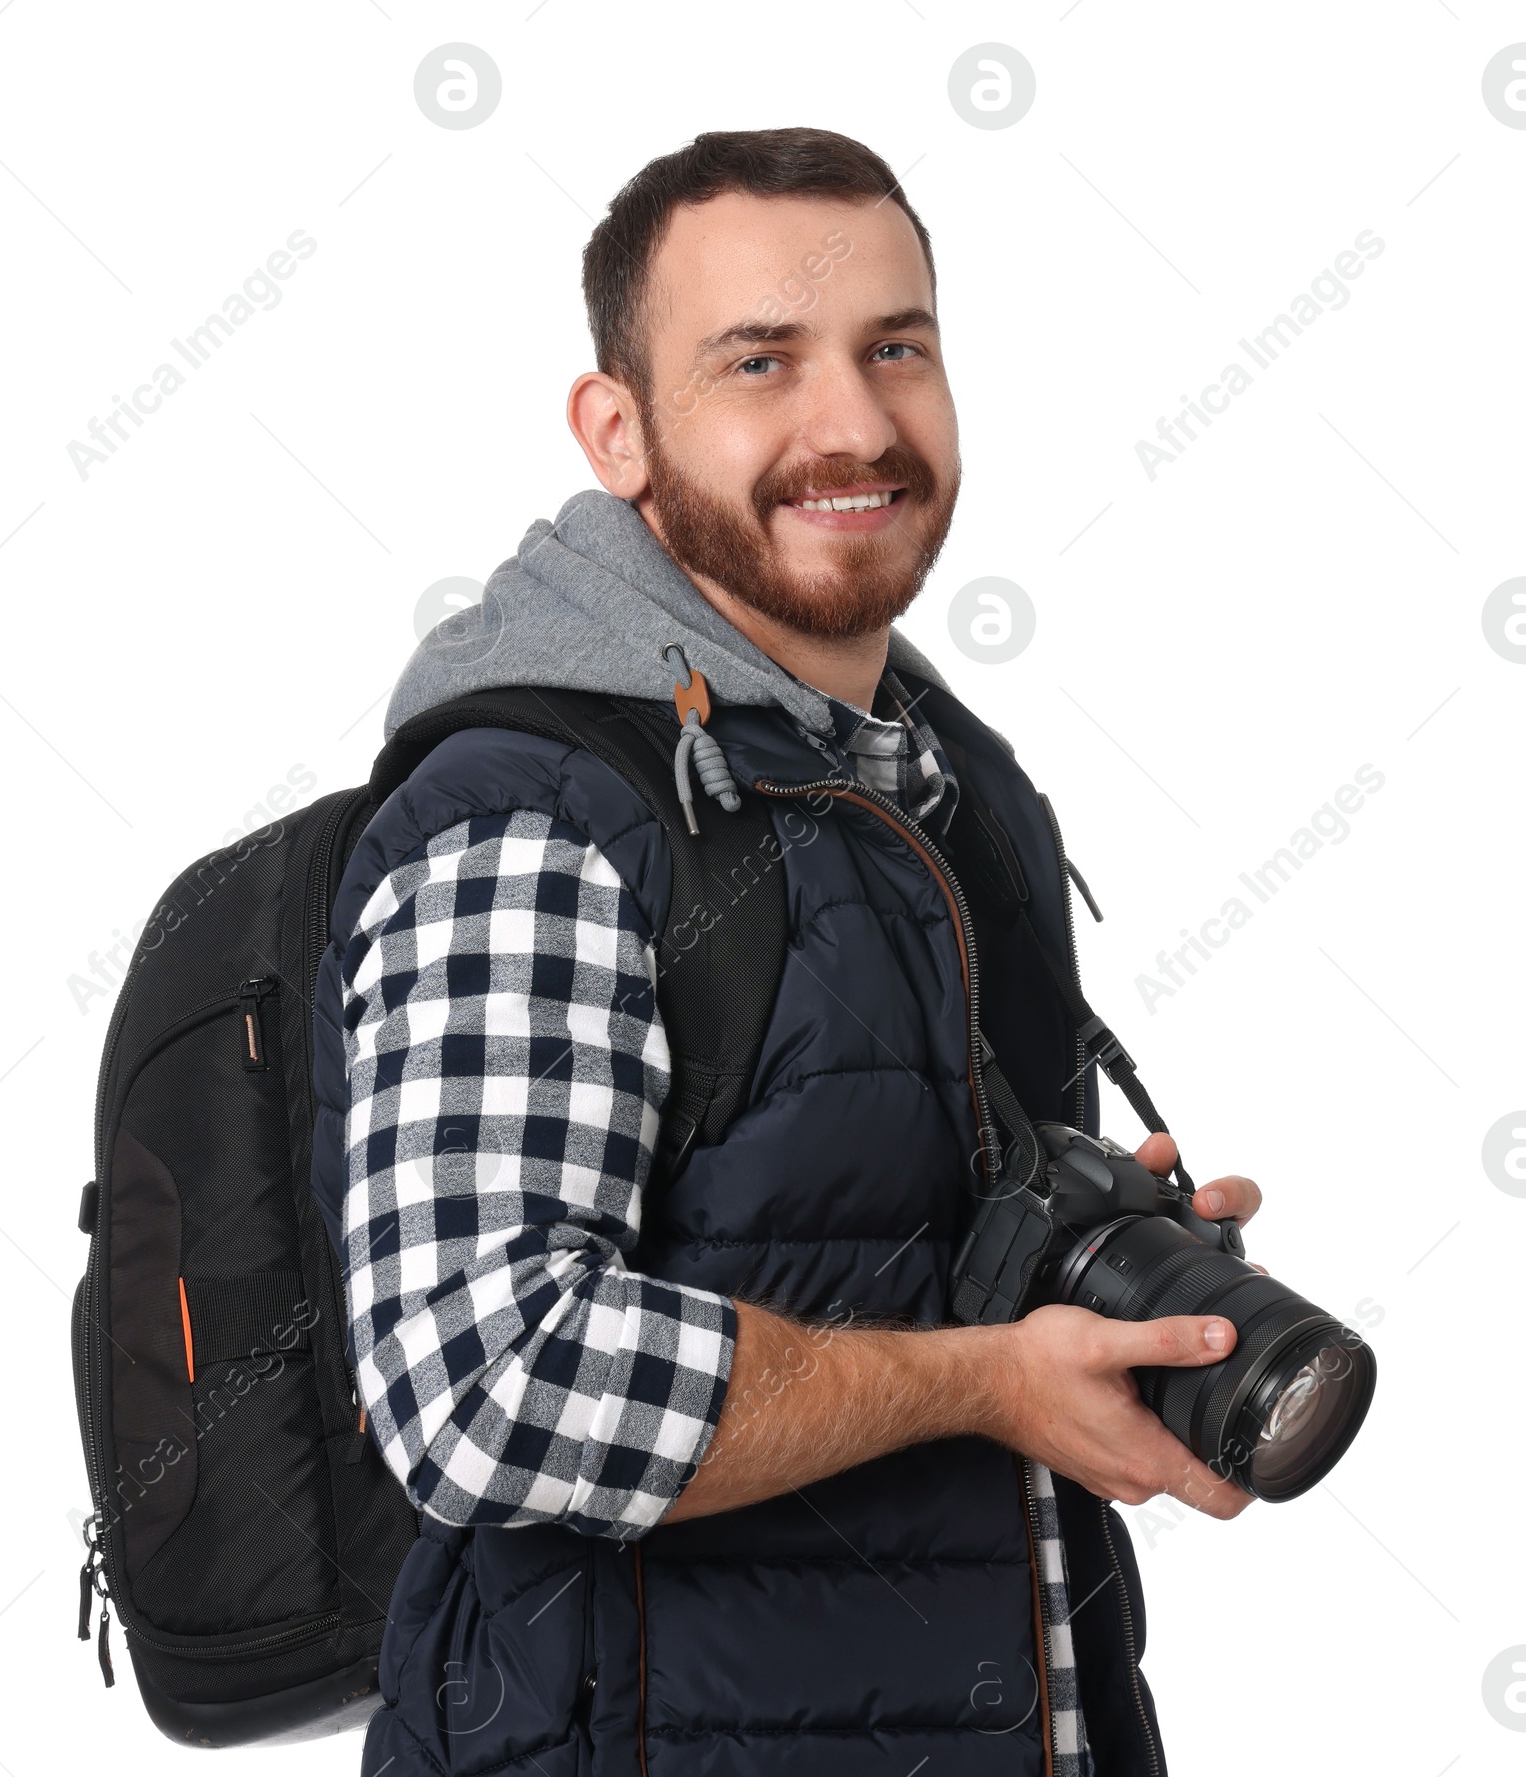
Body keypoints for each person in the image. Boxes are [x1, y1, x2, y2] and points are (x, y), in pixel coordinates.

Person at [315, 127, 1264, 1777]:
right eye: (762, 362)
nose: (855, 423)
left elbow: (839, 1228)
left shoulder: (932, 786)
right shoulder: (536, 812)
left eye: (896, 348)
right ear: (619, 430)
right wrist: (982, 1378)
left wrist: (1084, 1260)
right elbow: (481, 1377)